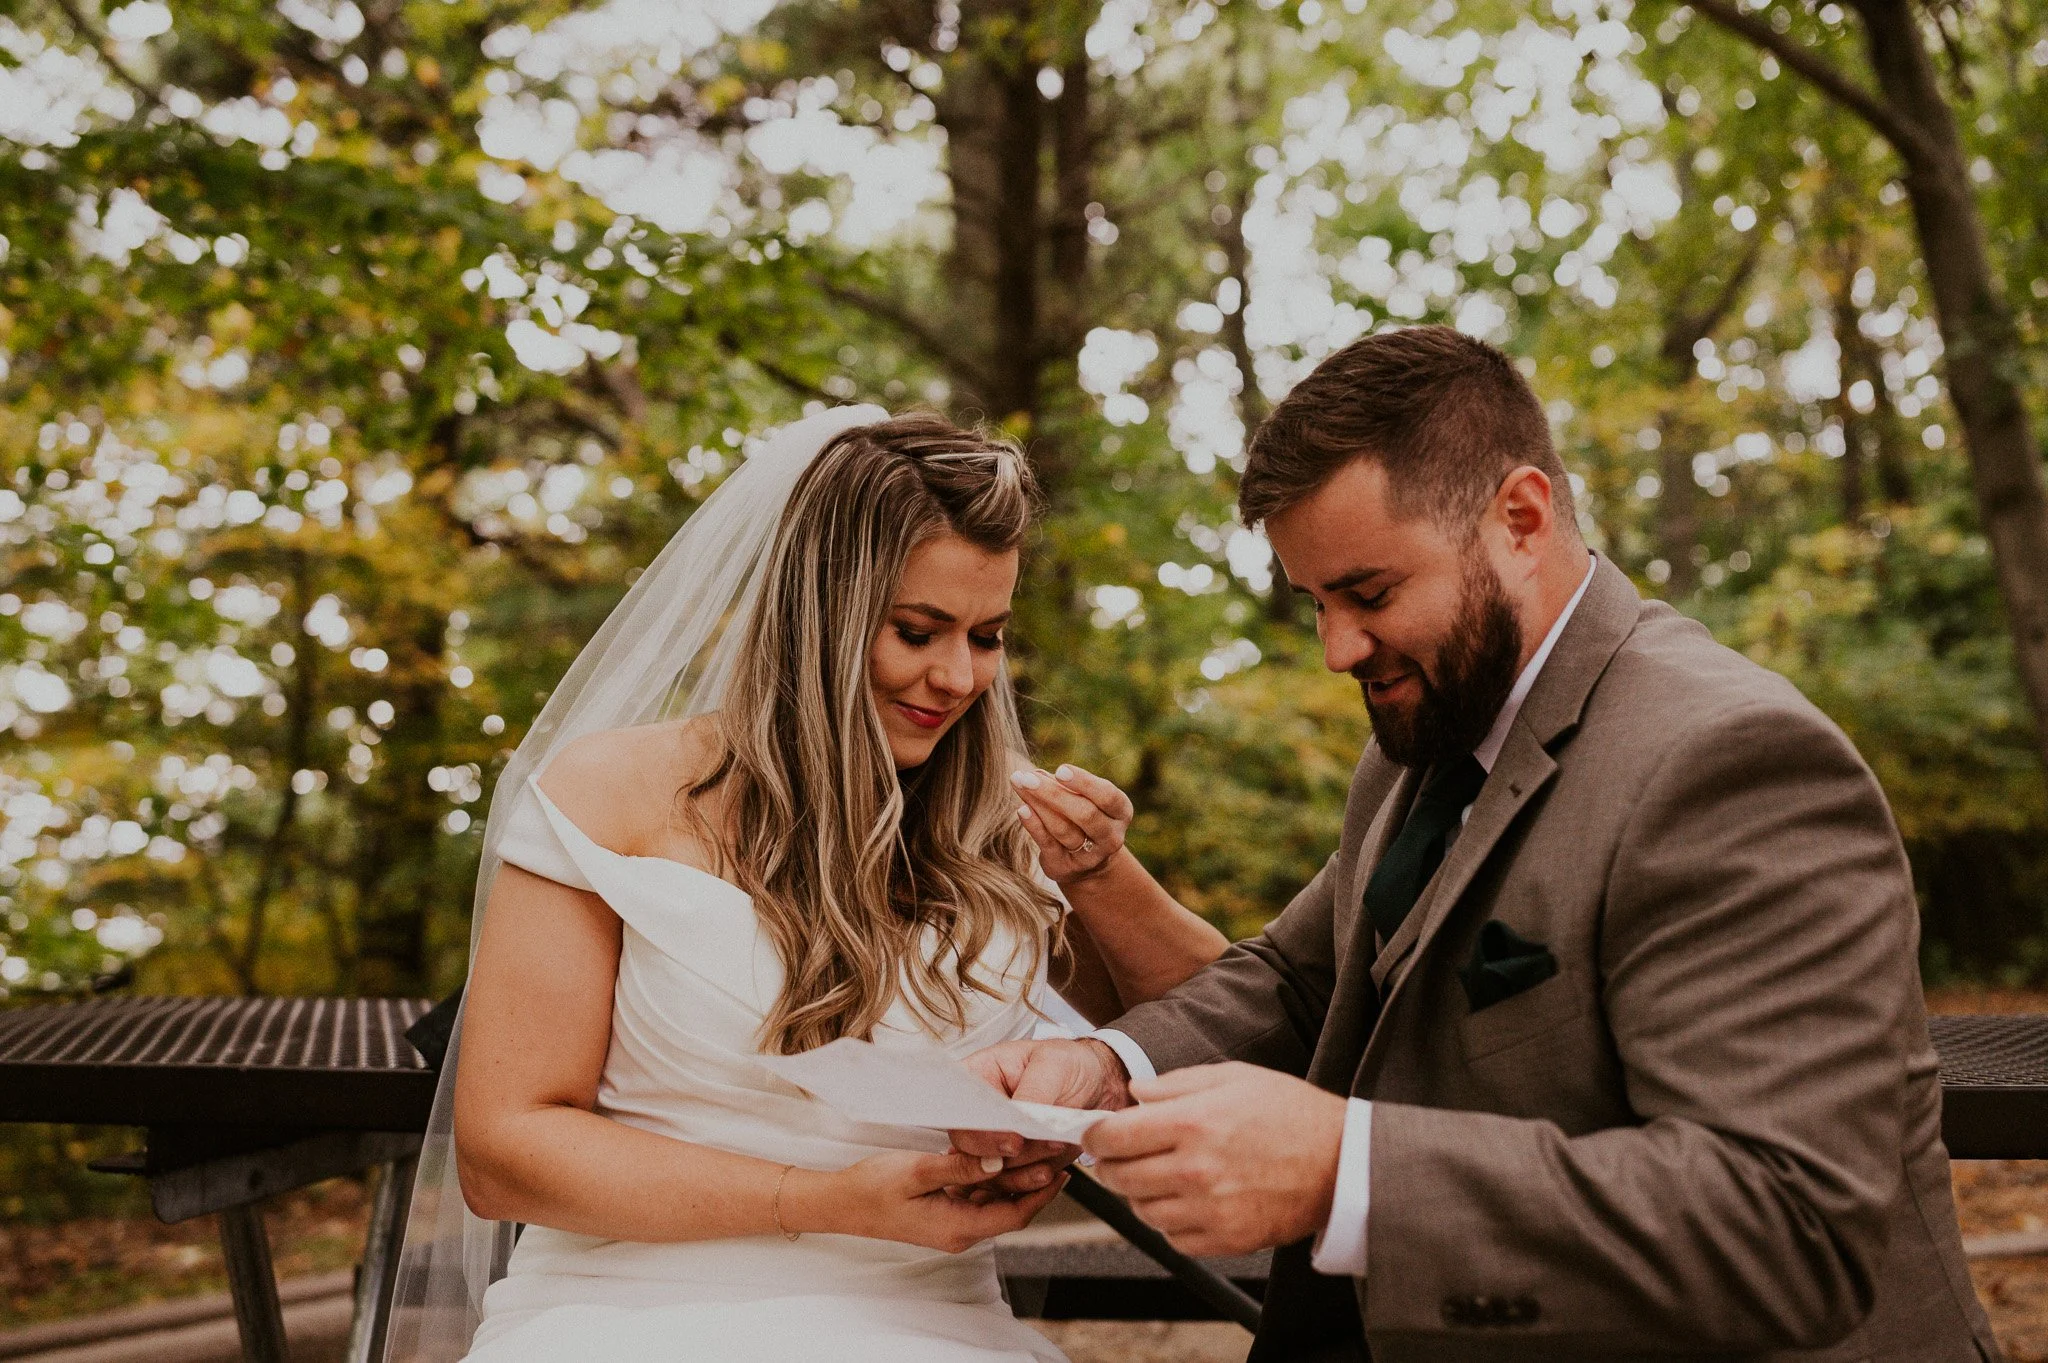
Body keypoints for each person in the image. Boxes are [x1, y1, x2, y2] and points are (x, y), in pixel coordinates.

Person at [958, 327, 2001, 1361]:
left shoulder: (1729, 762)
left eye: (1367, 594)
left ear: (1519, 518)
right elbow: (1295, 981)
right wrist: (1104, 1059)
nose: (1336, 649)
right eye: (1314, 603)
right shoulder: (1426, 738)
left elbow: (1789, 1229)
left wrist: (1343, 1170)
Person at [381, 407, 1227, 1363]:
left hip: (933, 1326)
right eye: (917, 630)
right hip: (620, 1317)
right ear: (817, 614)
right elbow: (503, 1153)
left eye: (988, 636)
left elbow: (1229, 1029)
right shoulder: (607, 795)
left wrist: (1105, 879)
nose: (957, 676)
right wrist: (826, 1200)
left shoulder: (1007, 827)